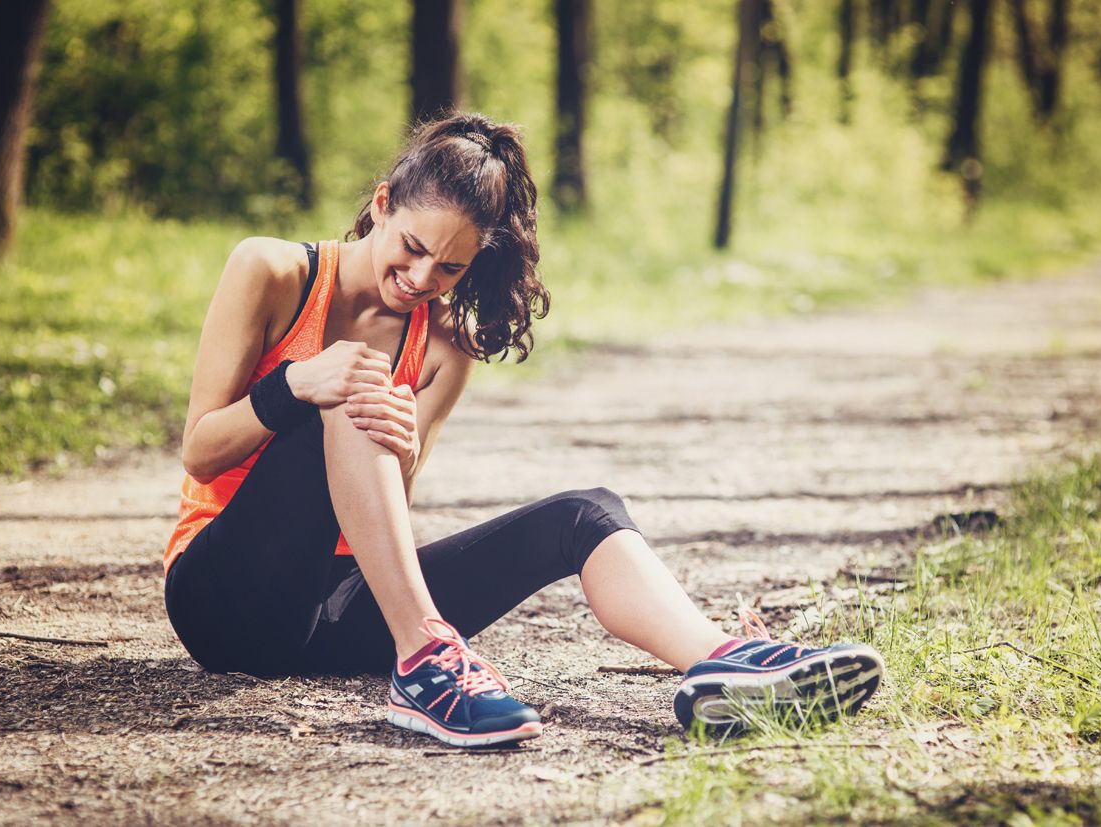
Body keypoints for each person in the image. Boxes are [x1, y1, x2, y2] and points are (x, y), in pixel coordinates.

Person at [163, 112, 884, 749]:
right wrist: (294, 384)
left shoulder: (445, 346)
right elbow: (199, 450)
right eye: (412, 246)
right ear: (382, 204)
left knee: (585, 513)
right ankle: (426, 660)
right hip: (223, 599)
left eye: (450, 267)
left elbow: (380, 513)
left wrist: (403, 449)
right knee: (354, 392)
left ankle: (723, 662)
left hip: (334, 612)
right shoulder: (273, 271)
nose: (421, 277)